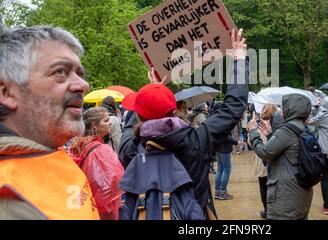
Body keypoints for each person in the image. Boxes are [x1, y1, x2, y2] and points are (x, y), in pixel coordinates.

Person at [118, 28, 248, 219]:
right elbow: (233, 107)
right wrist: (239, 61)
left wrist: (152, 91)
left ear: (138, 115)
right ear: (174, 110)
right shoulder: (197, 141)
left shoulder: (130, 148)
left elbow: (133, 122)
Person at [0, 26, 99, 219]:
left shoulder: (46, 154)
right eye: (60, 71)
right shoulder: (9, 200)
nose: (83, 85)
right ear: (7, 93)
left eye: (79, 73)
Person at [248, 94, 314, 220]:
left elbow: (264, 153)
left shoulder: (287, 130)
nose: (282, 111)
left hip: (286, 195)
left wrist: (252, 132)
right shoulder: (304, 128)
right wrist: (270, 135)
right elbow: (287, 152)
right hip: (302, 190)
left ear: (292, 110)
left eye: (285, 108)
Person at [69, 107, 124, 220]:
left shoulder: (78, 145)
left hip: (85, 205)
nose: (110, 123)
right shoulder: (102, 150)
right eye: (106, 120)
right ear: (94, 125)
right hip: (104, 209)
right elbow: (114, 183)